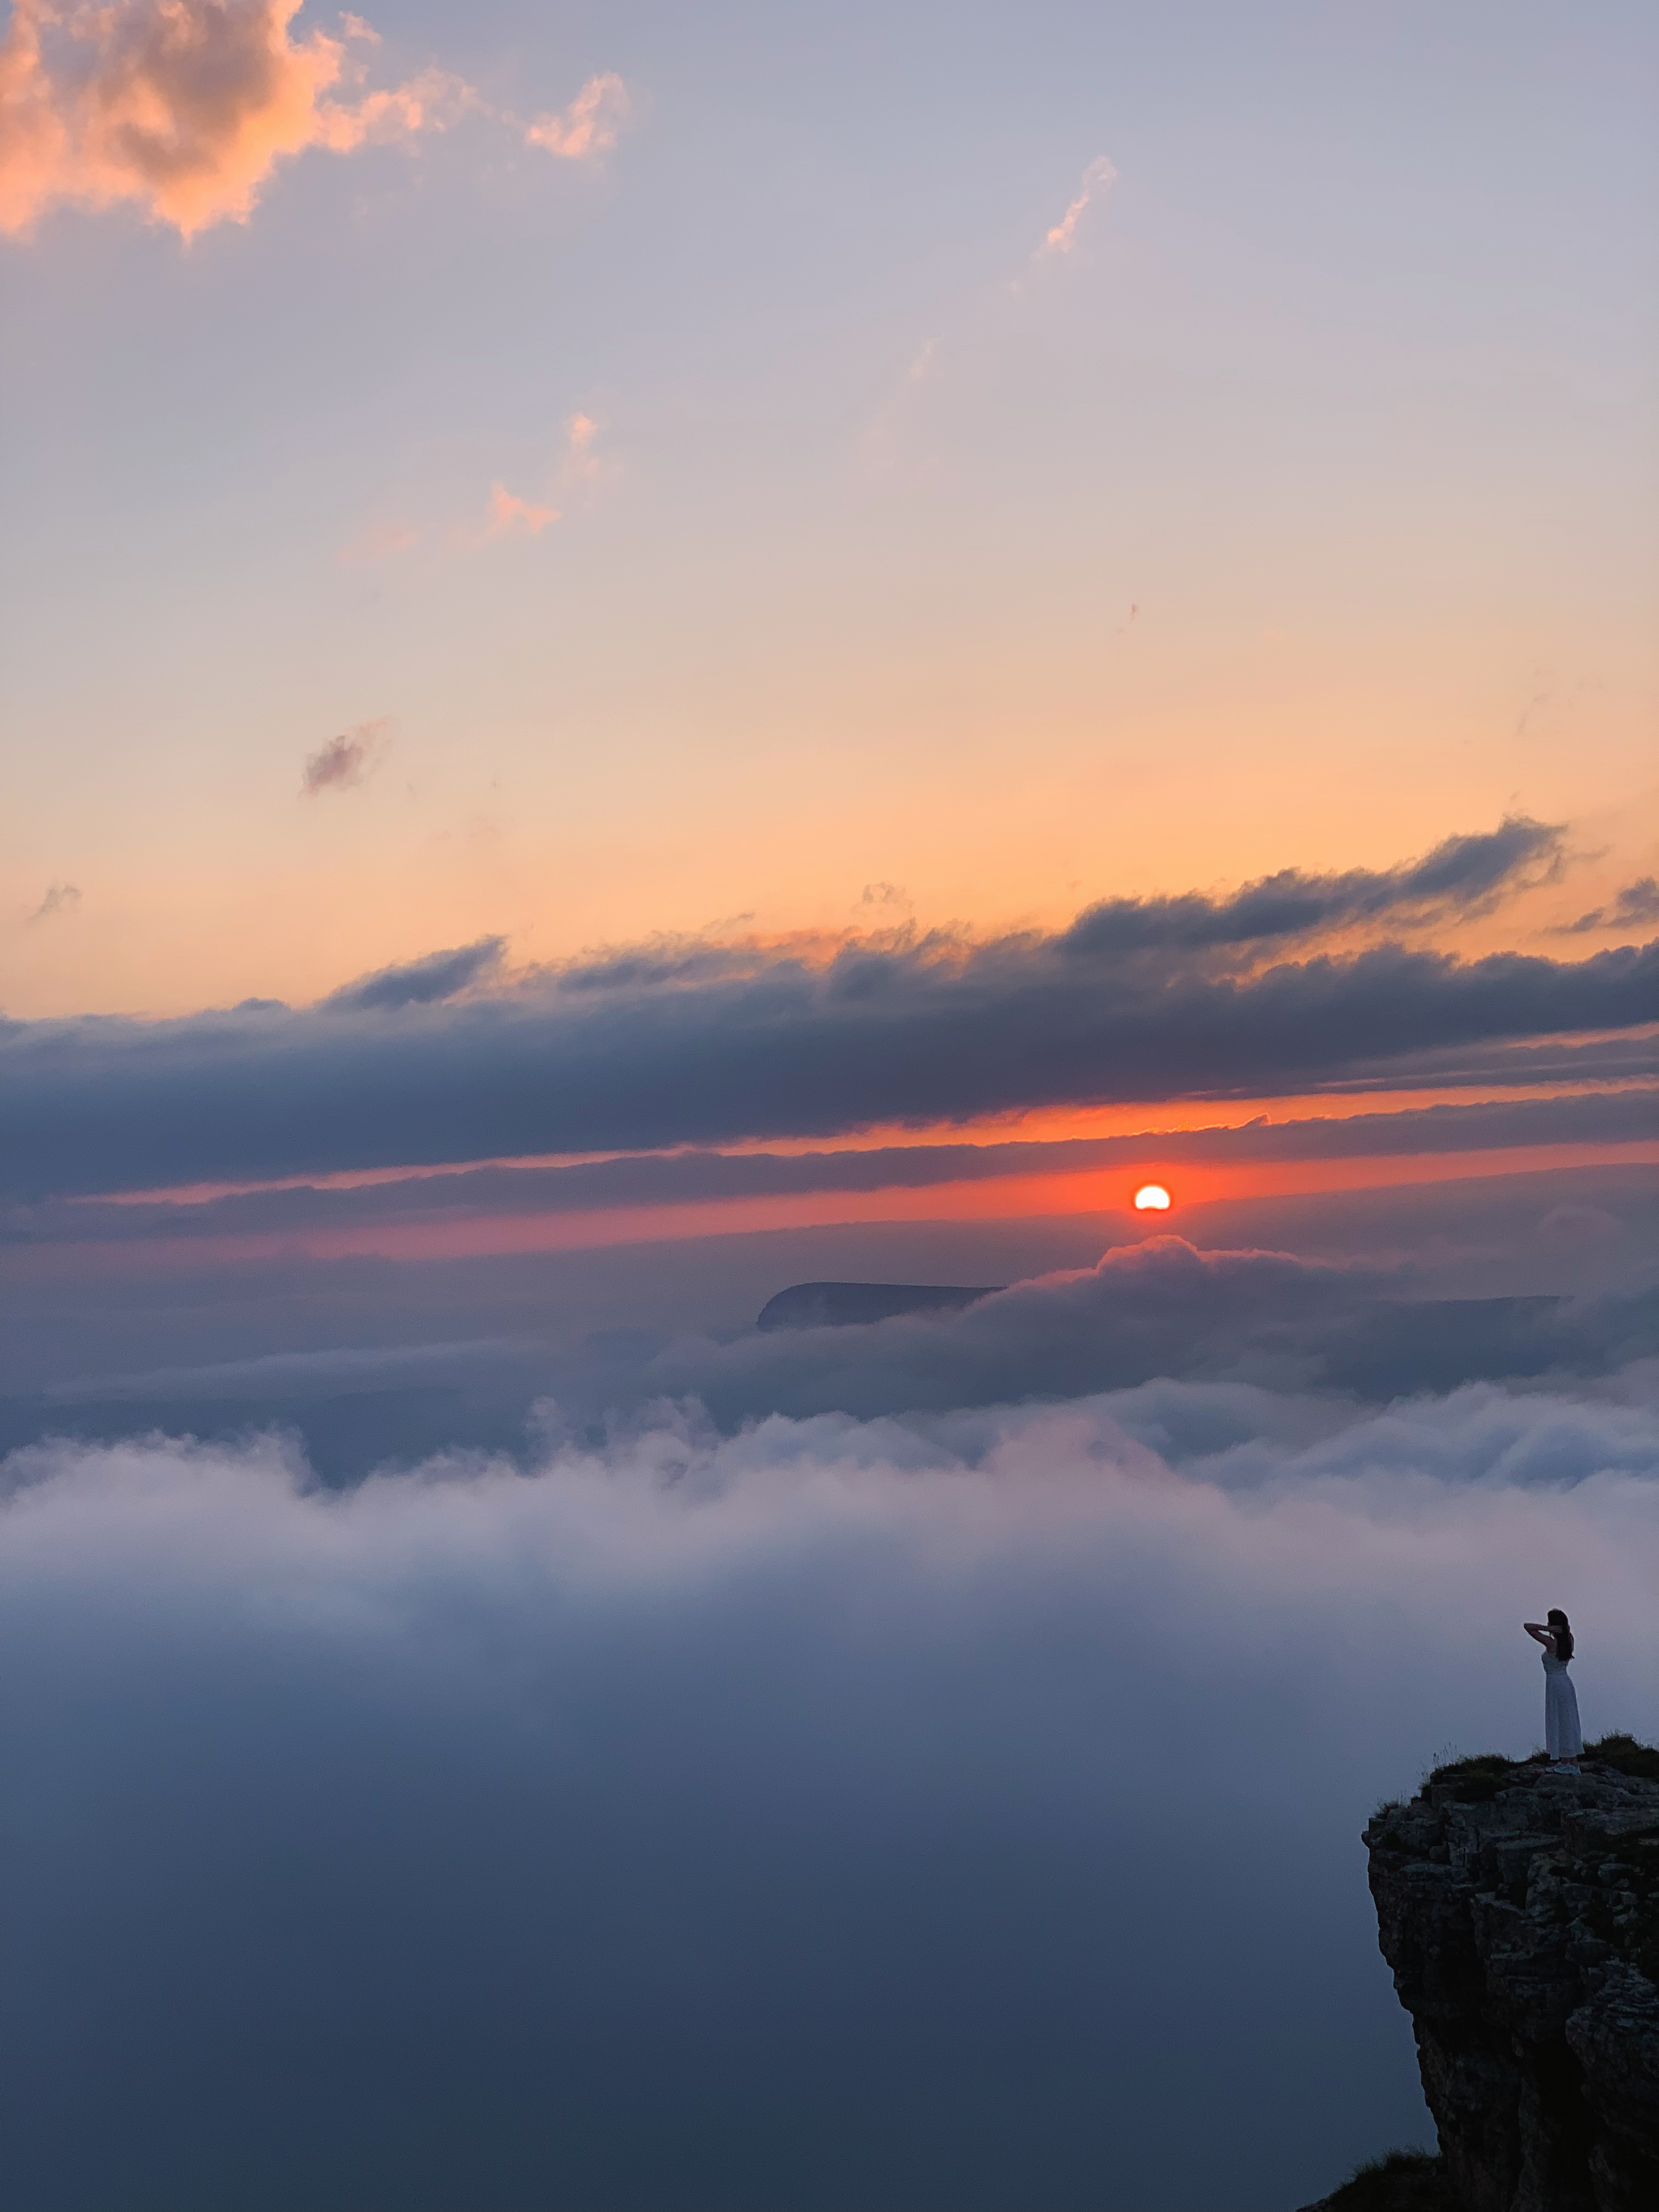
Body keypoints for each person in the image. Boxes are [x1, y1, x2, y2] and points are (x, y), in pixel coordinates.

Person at [1523, 1610, 1582, 1773]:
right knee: (1567, 1720)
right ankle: (1569, 1760)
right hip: (1565, 1683)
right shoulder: (1569, 1640)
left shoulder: (1551, 1643)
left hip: (1556, 1684)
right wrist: (1557, 1630)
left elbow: (1527, 1627)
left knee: (1561, 1720)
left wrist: (1549, 1630)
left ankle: (1569, 1763)